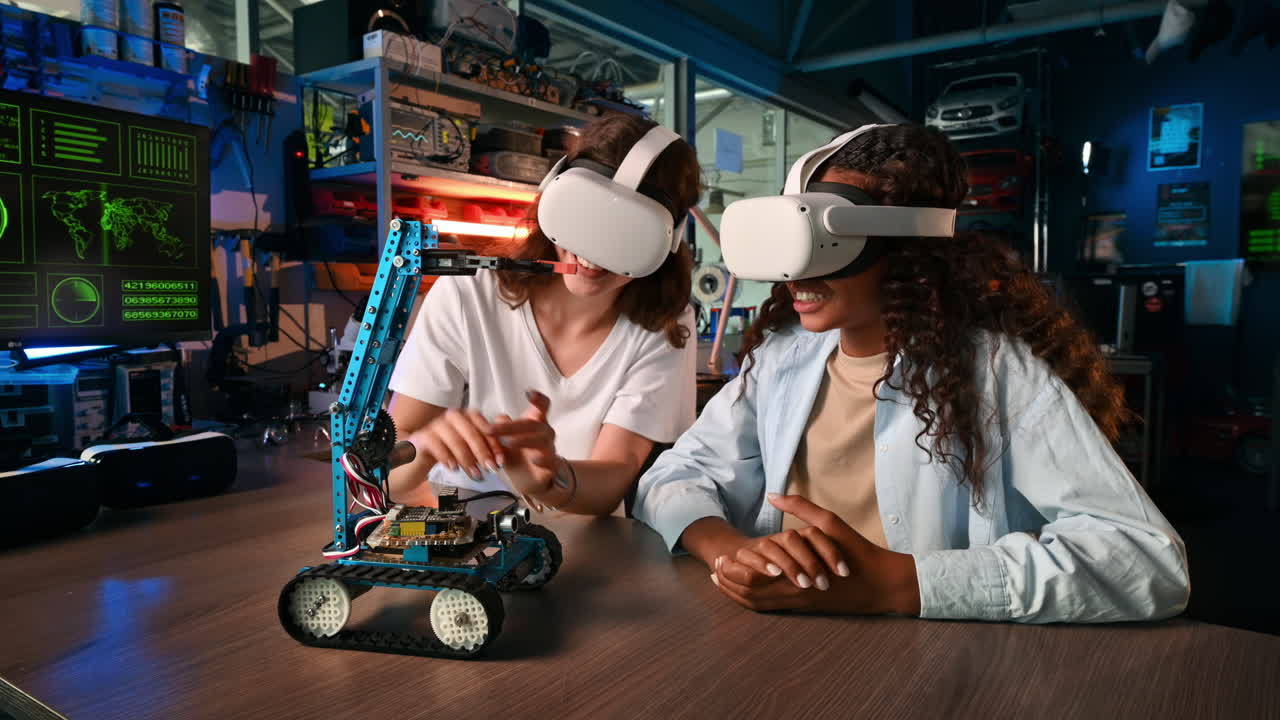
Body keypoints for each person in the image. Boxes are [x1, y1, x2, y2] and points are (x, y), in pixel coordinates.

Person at [633, 124, 1190, 623]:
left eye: (829, 243)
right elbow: (674, 475)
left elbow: (1146, 561)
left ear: (907, 246)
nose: (799, 269)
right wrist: (730, 550)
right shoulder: (782, 358)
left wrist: (900, 583)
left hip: (927, 655)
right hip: (779, 633)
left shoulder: (996, 374)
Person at [387, 114, 699, 515]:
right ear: (553, 190)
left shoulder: (666, 324)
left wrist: (551, 478)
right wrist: (425, 447)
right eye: (583, 215)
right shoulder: (467, 295)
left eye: (629, 233)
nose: (594, 250)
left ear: (669, 239)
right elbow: (388, 474)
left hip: (588, 542)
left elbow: (614, 476)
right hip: (461, 529)